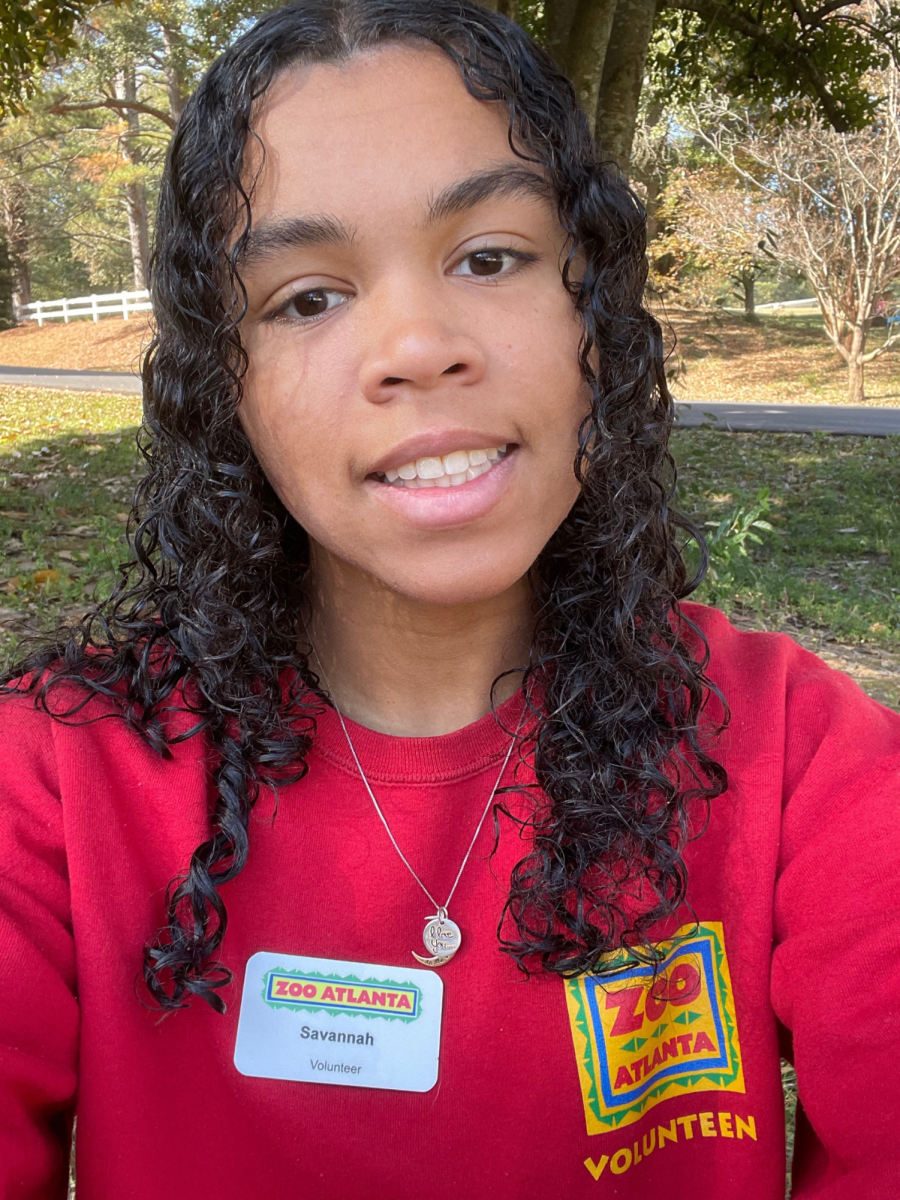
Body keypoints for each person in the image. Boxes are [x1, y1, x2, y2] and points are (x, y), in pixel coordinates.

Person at [1, 2, 898, 1196]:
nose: (417, 347)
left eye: (490, 257)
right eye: (306, 298)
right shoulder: (53, 786)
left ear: (594, 311)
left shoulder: (801, 755)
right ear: (228, 388)